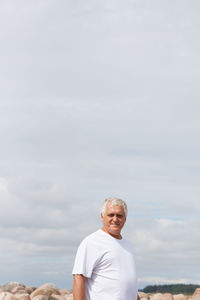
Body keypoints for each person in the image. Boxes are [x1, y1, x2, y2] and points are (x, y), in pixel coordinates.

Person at [72, 197, 138, 300]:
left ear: (125, 218)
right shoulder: (91, 242)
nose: (115, 219)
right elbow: (79, 277)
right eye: (111, 215)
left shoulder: (127, 244)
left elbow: (130, 285)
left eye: (119, 216)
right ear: (102, 216)